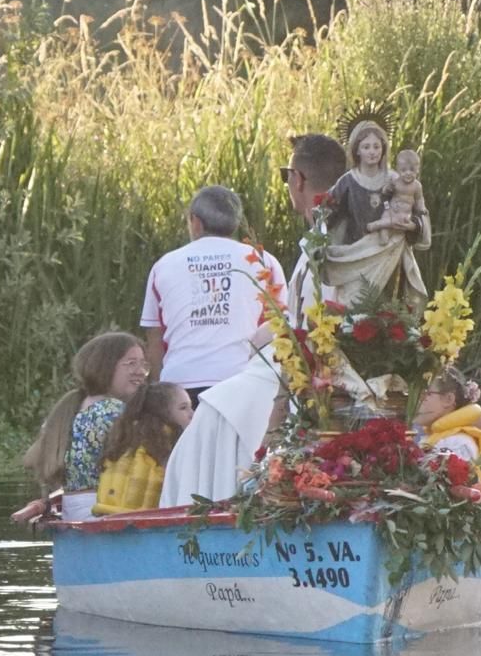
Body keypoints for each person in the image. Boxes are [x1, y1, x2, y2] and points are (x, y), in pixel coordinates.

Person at [162, 133, 350, 506]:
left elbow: (315, 321)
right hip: (301, 358)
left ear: (297, 179)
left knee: (216, 414)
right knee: (226, 400)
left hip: (309, 367)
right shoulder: (335, 234)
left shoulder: (327, 240)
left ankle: (206, 512)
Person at [139, 185, 287, 405]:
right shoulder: (263, 261)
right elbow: (282, 326)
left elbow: (155, 336)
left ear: (195, 222)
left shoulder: (164, 265)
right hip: (242, 381)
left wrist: (158, 394)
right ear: (235, 223)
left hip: (179, 386)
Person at [12, 331, 149, 522]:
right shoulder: (113, 410)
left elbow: (32, 461)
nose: (141, 371)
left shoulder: (75, 406)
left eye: (143, 364)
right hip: (103, 509)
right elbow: (149, 461)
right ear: (105, 366)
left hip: (72, 510)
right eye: (131, 363)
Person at [323, 112, 430, 308]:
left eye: (376, 146)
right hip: (356, 255)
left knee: (387, 310)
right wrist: (320, 227)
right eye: (366, 147)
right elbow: (326, 214)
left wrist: (411, 225)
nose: (372, 152)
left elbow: (419, 213)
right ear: (356, 150)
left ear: (383, 148)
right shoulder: (348, 182)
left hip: (390, 254)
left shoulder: (395, 179)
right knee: (354, 310)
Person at [91, 382, 195, 515]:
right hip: (144, 520)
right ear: (162, 412)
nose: (192, 414)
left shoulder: (124, 442)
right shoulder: (165, 447)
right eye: (183, 408)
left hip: (105, 516)